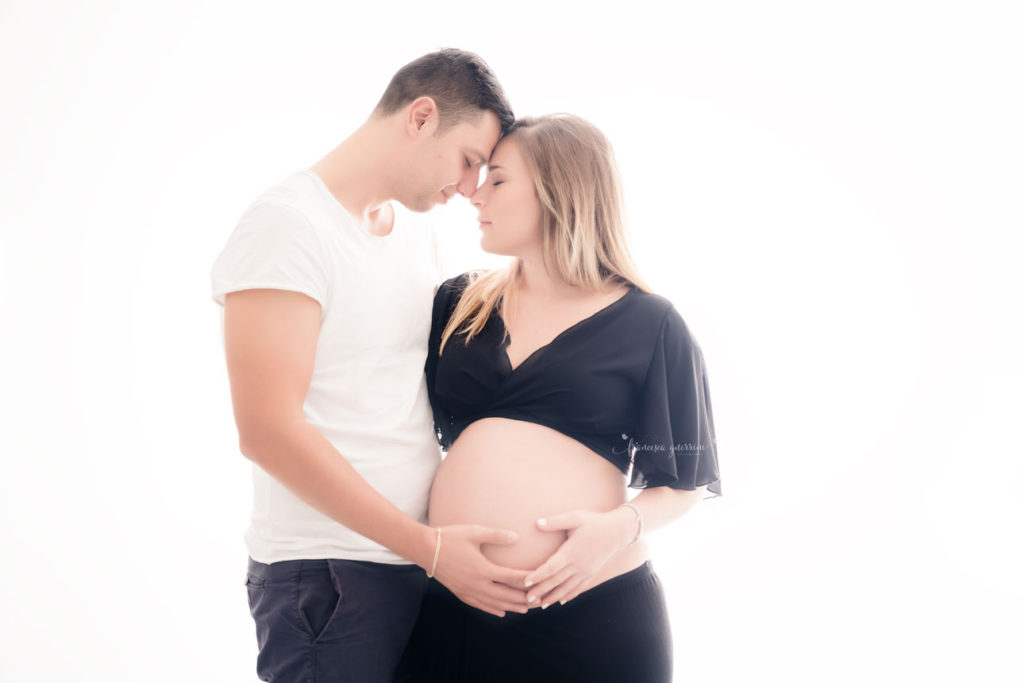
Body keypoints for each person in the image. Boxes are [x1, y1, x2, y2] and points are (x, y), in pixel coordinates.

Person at [209, 49, 538, 682]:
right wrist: (432, 550)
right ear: (421, 118)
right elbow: (266, 431)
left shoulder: (416, 232)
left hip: (412, 567)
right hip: (329, 578)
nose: (470, 188)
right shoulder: (288, 227)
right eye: (470, 161)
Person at [393, 114, 722, 682]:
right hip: (453, 606)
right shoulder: (458, 304)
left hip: (592, 618)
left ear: (558, 189)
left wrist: (616, 528)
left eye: (497, 180)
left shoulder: (650, 324)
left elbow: (686, 480)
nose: (474, 194)